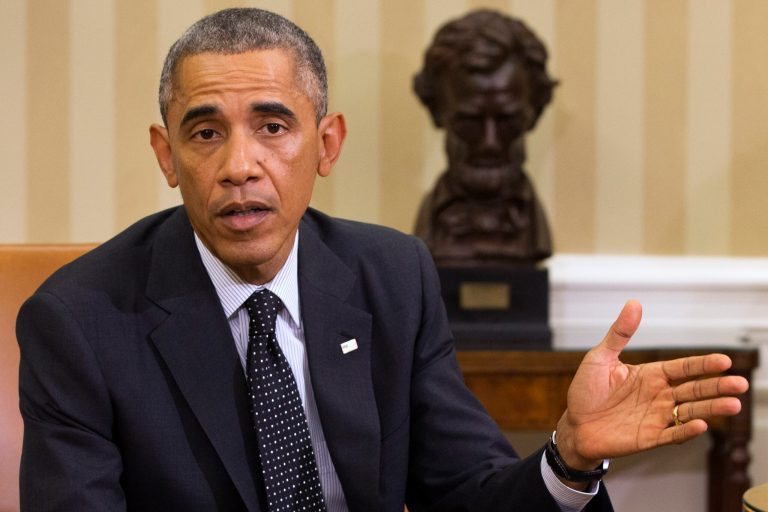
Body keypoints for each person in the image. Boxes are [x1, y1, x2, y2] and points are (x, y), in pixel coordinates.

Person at [17, 8, 747, 512]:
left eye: (273, 126)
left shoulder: (391, 275)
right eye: (205, 132)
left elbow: (466, 492)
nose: (240, 165)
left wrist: (570, 456)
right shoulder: (79, 321)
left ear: (327, 144)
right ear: (166, 155)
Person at [413, 10, 555, 265]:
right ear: (437, 111)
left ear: (534, 114)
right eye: (469, 122)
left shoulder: (533, 228)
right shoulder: (430, 230)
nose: (489, 143)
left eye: (507, 122)